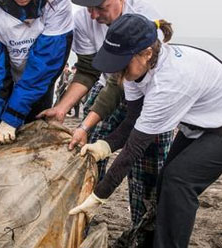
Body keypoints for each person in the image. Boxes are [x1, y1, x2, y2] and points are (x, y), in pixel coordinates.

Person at [69, 14, 222, 248]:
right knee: (164, 181)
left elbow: (135, 149)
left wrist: (98, 196)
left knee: (180, 180)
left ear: (147, 53)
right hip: (202, 123)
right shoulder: (137, 71)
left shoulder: (169, 82)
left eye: (121, 63)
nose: (118, 71)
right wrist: (104, 145)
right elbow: (133, 120)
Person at [37, 0, 173, 227]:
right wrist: (64, 111)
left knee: (147, 169)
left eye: (99, 7)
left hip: (148, 89)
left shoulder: (143, 16)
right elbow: (89, 70)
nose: (92, 15)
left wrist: (87, 125)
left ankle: (141, 233)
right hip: (107, 85)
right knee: (84, 148)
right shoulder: (82, 19)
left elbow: (126, 79)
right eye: (88, 8)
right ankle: (76, 223)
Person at [0, 0, 73, 148]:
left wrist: (13, 116)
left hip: (40, 85)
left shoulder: (57, 3)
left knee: (35, 138)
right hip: (10, 79)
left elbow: (45, 64)